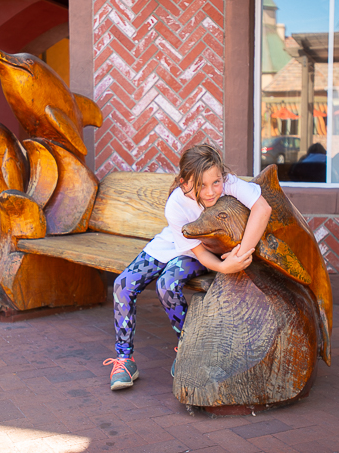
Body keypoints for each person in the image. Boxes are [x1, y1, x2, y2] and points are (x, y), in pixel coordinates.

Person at [103, 144, 272, 390]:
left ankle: (187, 348)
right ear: (184, 183)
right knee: (122, 285)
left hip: (205, 248)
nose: (211, 191)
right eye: (201, 185)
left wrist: (241, 254)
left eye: (215, 182)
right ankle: (124, 360)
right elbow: (198, 252)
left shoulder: (228, 183)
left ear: (221, 176)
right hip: (182, 245)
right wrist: (226, 268)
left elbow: (262, 208)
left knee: (167, 284)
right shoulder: (176, 205)